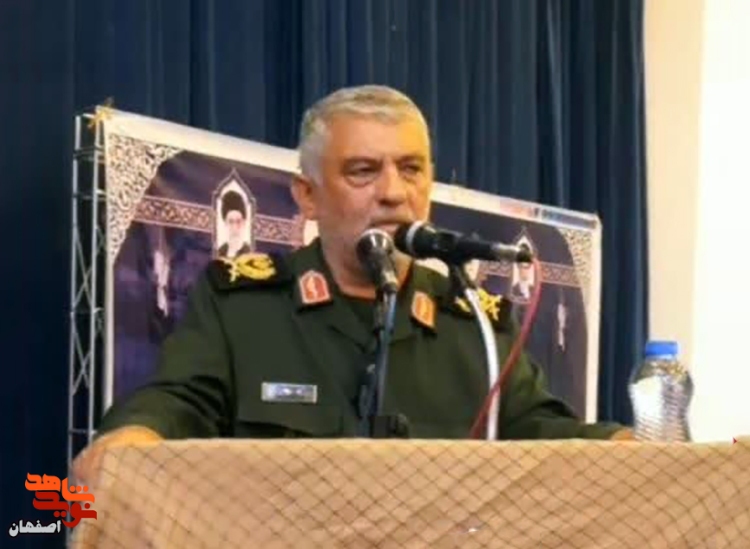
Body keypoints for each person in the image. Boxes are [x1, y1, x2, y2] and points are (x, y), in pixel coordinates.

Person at [74, 85, 632, 481]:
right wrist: (131, 437)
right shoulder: (243, 306)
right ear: (307, 195)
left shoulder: (474, 322)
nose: (393, 193)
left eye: (411, 169)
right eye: (363, 171)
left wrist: (624, 446)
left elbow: (536, 425)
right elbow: (178, 402)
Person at [216, 190, 252, 259]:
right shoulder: (220, 252)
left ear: (244, 223)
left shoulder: (249, 254)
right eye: (231, 222)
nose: (234, 227)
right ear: (225, 223)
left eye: (238, 222)